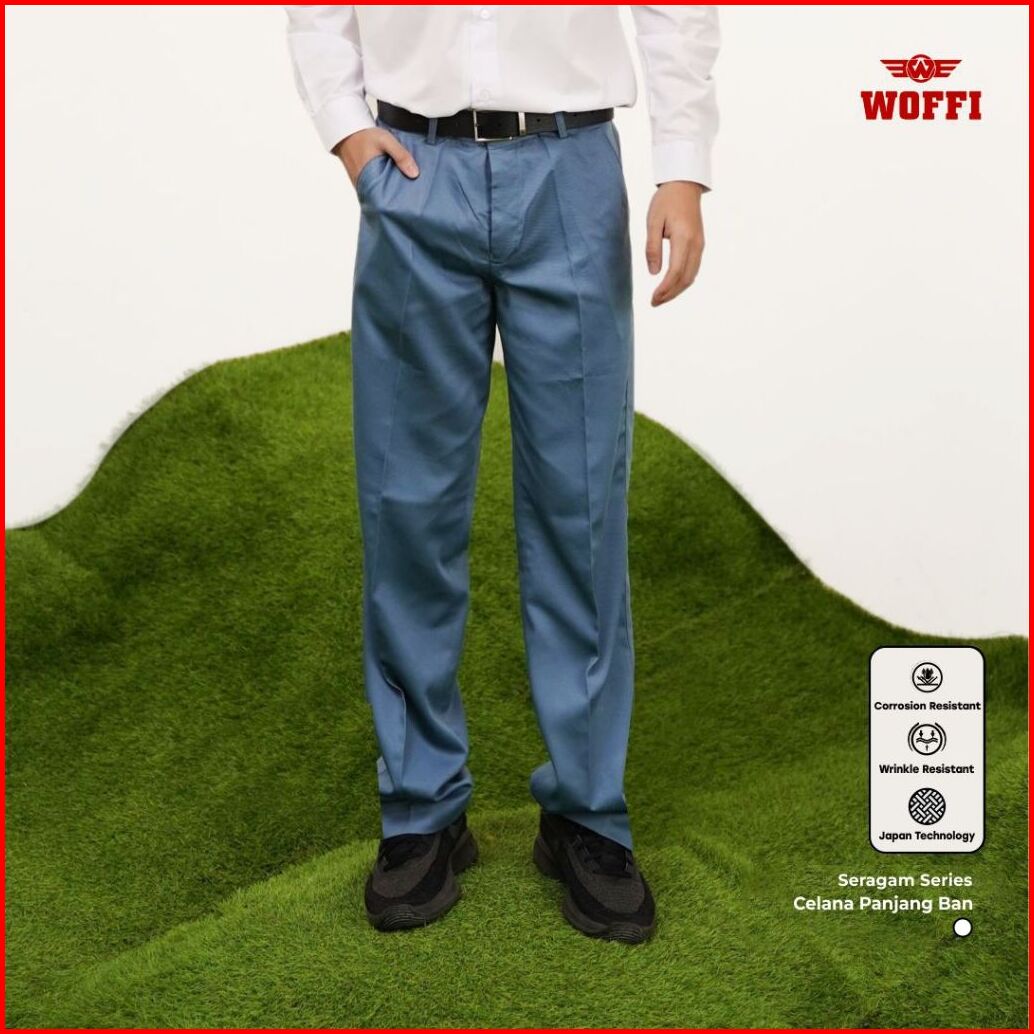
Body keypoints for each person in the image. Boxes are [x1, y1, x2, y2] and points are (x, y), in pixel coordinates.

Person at [286, 5, 719, 943]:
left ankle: (586, 814)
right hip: (411, 164)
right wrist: (346, 128)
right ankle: (422, 810)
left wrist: (682, 165)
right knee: (407, 504)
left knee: (580, 503)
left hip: (571, 166)